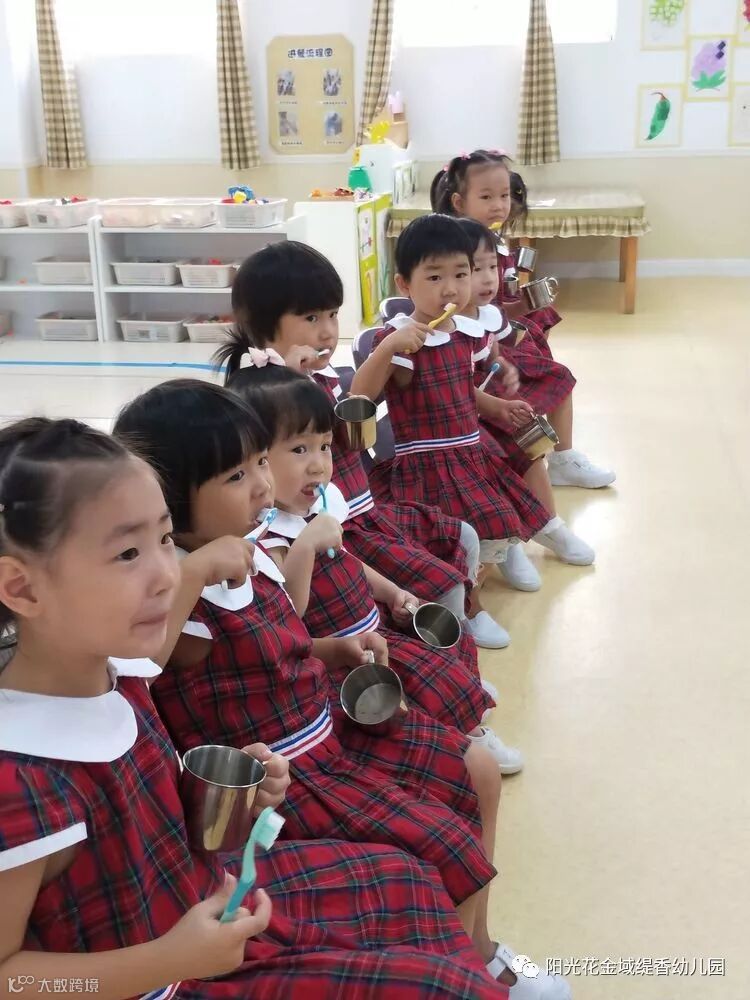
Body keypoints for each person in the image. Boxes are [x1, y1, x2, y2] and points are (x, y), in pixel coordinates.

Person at [0, 417, 515, 998]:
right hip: (167, 975)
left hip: (205, 907)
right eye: (126, 553)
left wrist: (227, 796)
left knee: (410, 882)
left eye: (166, 540)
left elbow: (141, 835)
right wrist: (166, 960)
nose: (168, 574)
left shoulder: (120, 681)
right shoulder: (18, 777)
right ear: (21, 589)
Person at [225, 358, 523, 774]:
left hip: (373, 630)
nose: (319, 464)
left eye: (324, 446)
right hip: (345, 657)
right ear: (254, 460)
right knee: (419, 694)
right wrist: (305, 547)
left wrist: (392, 591)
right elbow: (289, 613)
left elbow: (348, 559)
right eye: (299, 450)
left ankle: (463, 716)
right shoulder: (265, 538)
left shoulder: (312, 511)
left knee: (443, 665)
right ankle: (466, 736)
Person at [218, 240, 511, 649]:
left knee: (459, 537)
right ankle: (449, 637)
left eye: (333, 314)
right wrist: (297, 379)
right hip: (333, 531)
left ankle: (457, 623)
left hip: (365, 510)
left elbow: (356, 418)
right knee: (438, 579)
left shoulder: (322, 377)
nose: (327, 330)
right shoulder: (257, 395)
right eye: (311, 317)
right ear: (263, 325)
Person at [431, 149, 615, 489]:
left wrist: (525, 304)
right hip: (472, 350)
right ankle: (547, 459)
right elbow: (473, 312)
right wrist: (519, 308)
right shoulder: (454, 253)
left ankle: (559, 457)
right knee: (554, 377)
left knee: (551, 364)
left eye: (504, 195)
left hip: (493, 338)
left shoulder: (493, 242)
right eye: (486, 197)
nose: (499, 205)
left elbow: (493, 306)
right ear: (458, 202)